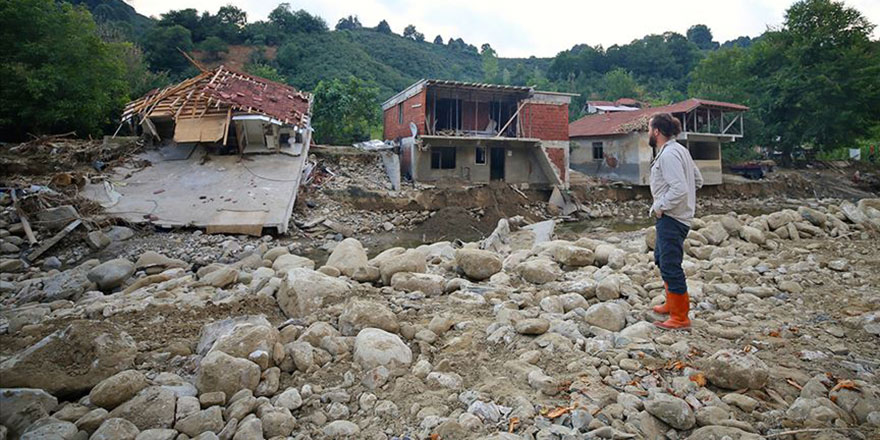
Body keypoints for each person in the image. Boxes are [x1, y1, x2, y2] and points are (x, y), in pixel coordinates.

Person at [648, 113, 703, 330]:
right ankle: (672, 304)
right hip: (677, 216)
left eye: (649, 129)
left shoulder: (669, 155)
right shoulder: (680, 150)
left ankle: (681, 318)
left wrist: (661, 206)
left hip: (672, 217)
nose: (648, 133)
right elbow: (697, 181)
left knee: (671, 265)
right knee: (662, 258)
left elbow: (679, 188)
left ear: (657, 132)